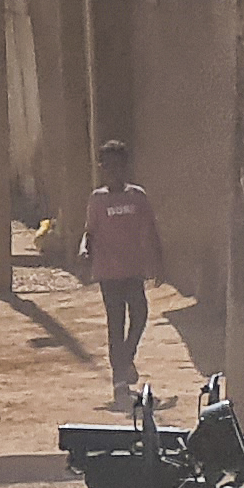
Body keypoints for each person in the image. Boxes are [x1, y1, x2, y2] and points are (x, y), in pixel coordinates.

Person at [78, 140, 165, 408]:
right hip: (108, 271)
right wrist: (84, 249)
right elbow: (89, 232)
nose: (114, 171)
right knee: (115, 324)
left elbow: (151, 230)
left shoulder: (137, 197)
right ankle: (119, 382)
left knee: (140, 314)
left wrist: (159, 263)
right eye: (108, 166)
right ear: (102, 169)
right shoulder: (97, 200)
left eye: (119, 166)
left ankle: (126, 359)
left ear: (126, 167)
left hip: (133, 269)